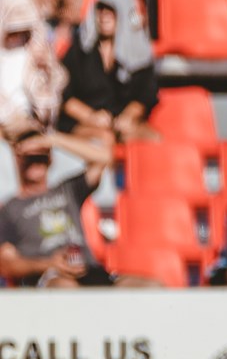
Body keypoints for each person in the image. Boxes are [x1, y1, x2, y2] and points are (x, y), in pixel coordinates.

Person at [0, 122, 158, 288]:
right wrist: (50, 264)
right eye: (29, 158)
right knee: (65, 289)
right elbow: (6, 263)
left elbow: (104, 158)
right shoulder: (9, 209)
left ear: (50, 159)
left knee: (148, 286)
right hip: (49, 276)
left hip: (89, 270)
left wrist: (53, 139)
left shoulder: (68, 190)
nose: (35, 164)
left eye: (41, 157)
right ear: (17, 159)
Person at [57, 0, 159, 146]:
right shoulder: (80, 49)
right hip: (83, 123)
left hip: (120, 124)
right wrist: (90, 117)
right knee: (104, 139)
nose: (104, 15)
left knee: (151, 138)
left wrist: (128, 116)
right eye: (100, 9)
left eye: (111, 9)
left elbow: (145, 95)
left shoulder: (140, 52)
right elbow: (64, 95)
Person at [0, 0, 67, 139]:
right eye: (13, 31)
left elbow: (58, 84)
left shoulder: (34, 53)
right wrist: (14, 120)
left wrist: (47, 70)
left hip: (33, 128)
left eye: (23, 31)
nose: (18, 37)